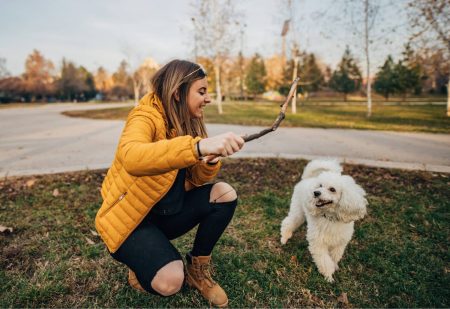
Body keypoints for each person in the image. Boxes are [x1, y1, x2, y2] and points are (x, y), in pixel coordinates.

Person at [95, 59, 245, 307]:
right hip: (132, 223)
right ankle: (139, 266)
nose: (207, 99)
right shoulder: (145, 116)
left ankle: (197, 271)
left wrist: (207, 161)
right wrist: (196, 147)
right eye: (201, 91)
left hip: (167, 214)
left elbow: (196, 179)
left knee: (224, 193)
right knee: (170, 282)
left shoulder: (188, 122)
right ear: (178, 92)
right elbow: (131, 156)